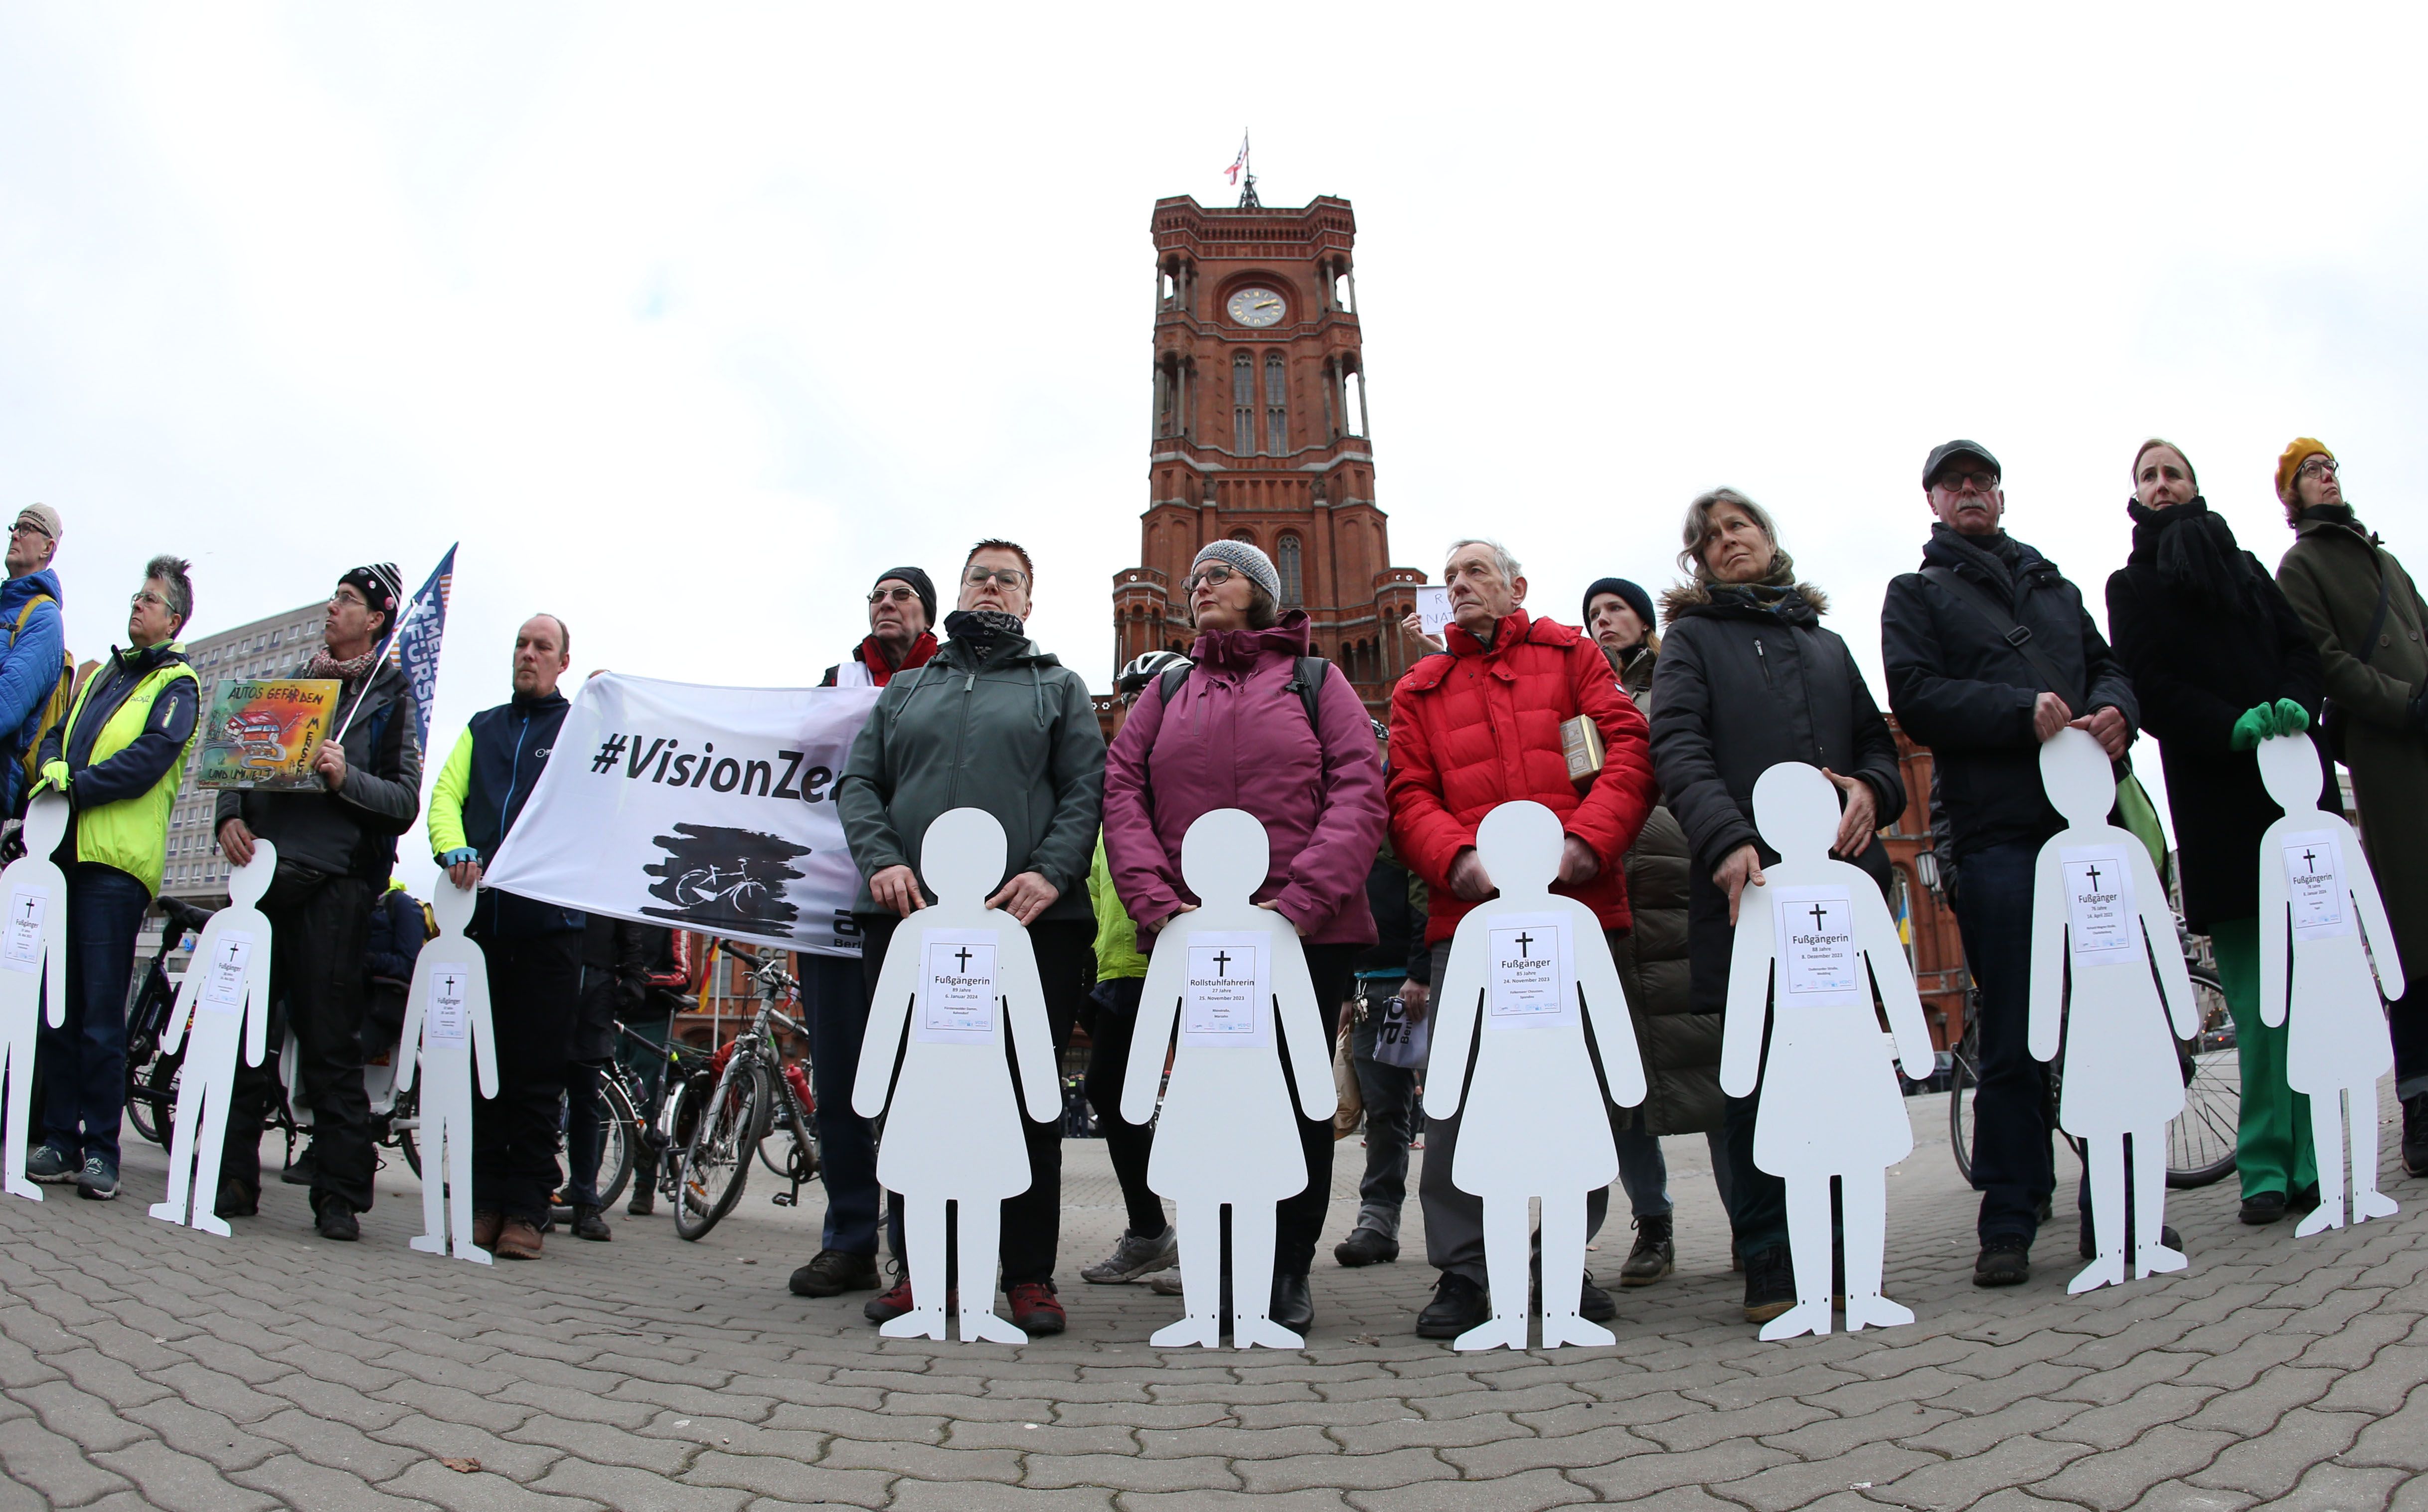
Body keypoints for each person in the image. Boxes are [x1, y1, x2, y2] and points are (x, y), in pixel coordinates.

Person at [1103, 540, 1388, 1335]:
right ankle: (1218, 1261)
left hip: (1302, 932)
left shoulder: (1315, 680)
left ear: (1260, 590)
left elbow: (1358, 786)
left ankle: (1284, 1268)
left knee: (1295, 1100)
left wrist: (1298, 902)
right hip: (1196, 933)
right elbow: (1121, 790)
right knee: (1207, 1096)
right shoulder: (1167, 689)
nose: (1199, 585)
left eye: (1218, 574)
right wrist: (1158, 905)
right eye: (1192, 577)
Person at [1880, 440, 2142, 1285]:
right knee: (2017, 1028)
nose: (1969, 490)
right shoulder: (1917, 592)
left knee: (2104, 1013)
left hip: (2086, 823)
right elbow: (1915, 694)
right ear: (1931, 500)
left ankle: (2116, 1201)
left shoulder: (2052, 585)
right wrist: (2015, 708)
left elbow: (2107, 667)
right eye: (1952, 482)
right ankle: (2009, 1212)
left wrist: (2117, 710)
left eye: (1981, 480)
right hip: (1996, 832)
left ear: (1999, 494)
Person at [1386, 538, 1658, 1339]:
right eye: (1450, 575)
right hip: (1469, 919)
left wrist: (1587, 842)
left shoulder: (1571, 656)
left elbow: (1628, 749)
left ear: (1517, 585)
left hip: (1576, 907)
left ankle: (1560, 1256)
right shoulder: (1419, 688)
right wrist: (1455, 858)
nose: (1458, 583)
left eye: (1475, 570)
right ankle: (1466, 1269)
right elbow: (1405, 793)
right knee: (1458, 1093)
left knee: (1584, 1085)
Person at [1649, 489, 1906, 1327]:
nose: (1727, 541)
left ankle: (1844, 1248)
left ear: (1766, 536)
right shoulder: (1692, 639)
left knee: (1839, 1064)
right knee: (1758, 1078)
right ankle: (1770, 1253)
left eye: (1739, 526)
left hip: (1835, 885)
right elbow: (1676, 744)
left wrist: (1873, 789)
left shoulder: (1824, 642)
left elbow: (1876, 744)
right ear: (1698, 560)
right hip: (1749, 887)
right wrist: (1724, 837)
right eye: (1710, 537)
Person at [836, 539, 1106, 1335]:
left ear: (1028, 600)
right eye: (978, 576)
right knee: (913, 1091)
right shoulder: (906, 687)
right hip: (911, 916)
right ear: (957, 593)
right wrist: (882, 860)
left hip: (1028, 923)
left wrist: (1051, 871)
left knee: (1025, 1093)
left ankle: (1026, 1274)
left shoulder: (1056, 686)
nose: (991, 587)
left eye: (1007, 579)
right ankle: (920, 1268)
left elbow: (1087, 787)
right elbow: (859, 783)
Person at [2105, 440, 2335, 1225]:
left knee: (2308, 988)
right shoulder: (2131, 584)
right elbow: (2149, 685)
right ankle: (2266, 1160)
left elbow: (2300, 651)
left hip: (2291, 793)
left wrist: (2295, 704)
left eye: (2172, 472)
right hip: (2219, 807)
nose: (2161, 484)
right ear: (2136, 495)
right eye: (2147, 476)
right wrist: (2228, 725)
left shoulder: (2246, 567)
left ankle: (2312, 1158)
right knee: (2258, 1000)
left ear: (2193, 485)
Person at [216, 563, 422, 1239]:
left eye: (348, 599)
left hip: (335, 887)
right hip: (264, 880)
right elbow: (236, 758)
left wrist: (344, 776)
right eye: (334, 596)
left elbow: (403, 802)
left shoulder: (390, 697)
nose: (332, 608)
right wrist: (228, 816)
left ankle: (339, 1193)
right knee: (247, 1035)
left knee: (329, 1040)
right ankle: (232, 1176)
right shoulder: (291, 684)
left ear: (376, 619)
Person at [2272, 440, 2428, 1178]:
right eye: (2310, 470)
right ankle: (2419, 1103)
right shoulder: (2299, 566)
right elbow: (2325, 661)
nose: (2325, 476)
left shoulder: (2385, 560)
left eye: (2329, 465)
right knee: (2412, 932)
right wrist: (2403, 703)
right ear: (2291, 493)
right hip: (2387, 752)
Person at [24, 555, 200, 1200]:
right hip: (66, 857)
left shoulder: (178, 685)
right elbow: (56, 736)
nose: (137, 605)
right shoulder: (102, 677)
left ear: (174, 619)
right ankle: (58, 1138)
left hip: (115, 867)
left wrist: (76, 788)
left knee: (100, 1014)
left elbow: (147, 761)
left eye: (150, 599)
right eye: (136, 595)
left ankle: (102, 1147)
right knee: (59, 1010)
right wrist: (52, 766)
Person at [792, 567, 944, 1301]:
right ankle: (848, 1239)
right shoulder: (836, 680)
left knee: (916, 1079)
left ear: (928, 614)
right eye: (877, 595)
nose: (886, 604)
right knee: (841, 1082)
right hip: (829, 905)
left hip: (918, 906)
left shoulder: (952, 678)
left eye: (901, 595)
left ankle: (916, 1250)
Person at [1582, 576, 1727, 1289]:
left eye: (1614, 609)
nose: (1602, 621)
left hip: (1680, 889)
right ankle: (1653, 1221)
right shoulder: (1578, 698)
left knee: (1717, 1068)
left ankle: (1750, 1221)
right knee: (1624, 1087)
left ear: (1643, 620)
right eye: (1592, 614)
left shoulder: (1678, 681)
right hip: (1611, 898)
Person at [426, 613, 585, 1259]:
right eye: (521, 644)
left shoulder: (579, 727)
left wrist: (613, 708)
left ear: (563, 662)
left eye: (542, 646)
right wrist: (451, 847)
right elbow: (445, 796)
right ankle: (484, 1201)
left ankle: (526, 1208)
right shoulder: (482, 726)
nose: (528, 654)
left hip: (550, 929)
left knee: (536, 1077)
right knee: (479, 1070)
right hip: (481, 928)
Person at [1077, 650, 1191, 1288]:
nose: (1137, 705)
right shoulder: (1114, 782)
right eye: (1129, 696)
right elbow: (1098, 885)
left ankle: (1214, 1244)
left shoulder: (1190, 774)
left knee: (1203, 1102)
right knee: (1108, 1092)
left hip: (1187, 962)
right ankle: (1150, 1231)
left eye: (1152, 693)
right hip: (1122, 968)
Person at [1336, 823, 1431, 1268]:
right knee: (1383, 1114)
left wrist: (1420, 972)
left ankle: (1463, 1227)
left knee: (1450, 1109)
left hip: (1416, 983)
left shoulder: (1406, 823)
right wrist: (1344, 990)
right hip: (1366, 989)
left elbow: (1425, 898)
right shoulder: (1346, 829)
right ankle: (1377, 1221)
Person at [564, 914, 663, 1241]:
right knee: (541, 1097)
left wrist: (633, 975)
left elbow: (623, 918)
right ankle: (534, 1201)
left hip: (596, 984)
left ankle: (586, 1203)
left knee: (586, 1100)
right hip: (550, 973)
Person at [1, 504, 68, 815]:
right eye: (15, 527)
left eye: (27, 529)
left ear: (47, 548)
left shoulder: (44, 617)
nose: (16, 534)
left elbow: (8, 703)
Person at [619, 926, 687, 1216]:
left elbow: (682, 975)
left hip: (651, 1021)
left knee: (645, 1106)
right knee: (596, 1104)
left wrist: (634, 980)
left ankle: (644, 1186)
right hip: (610, 1016)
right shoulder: (613, 910)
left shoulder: (672, 917)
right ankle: (584, 1186)